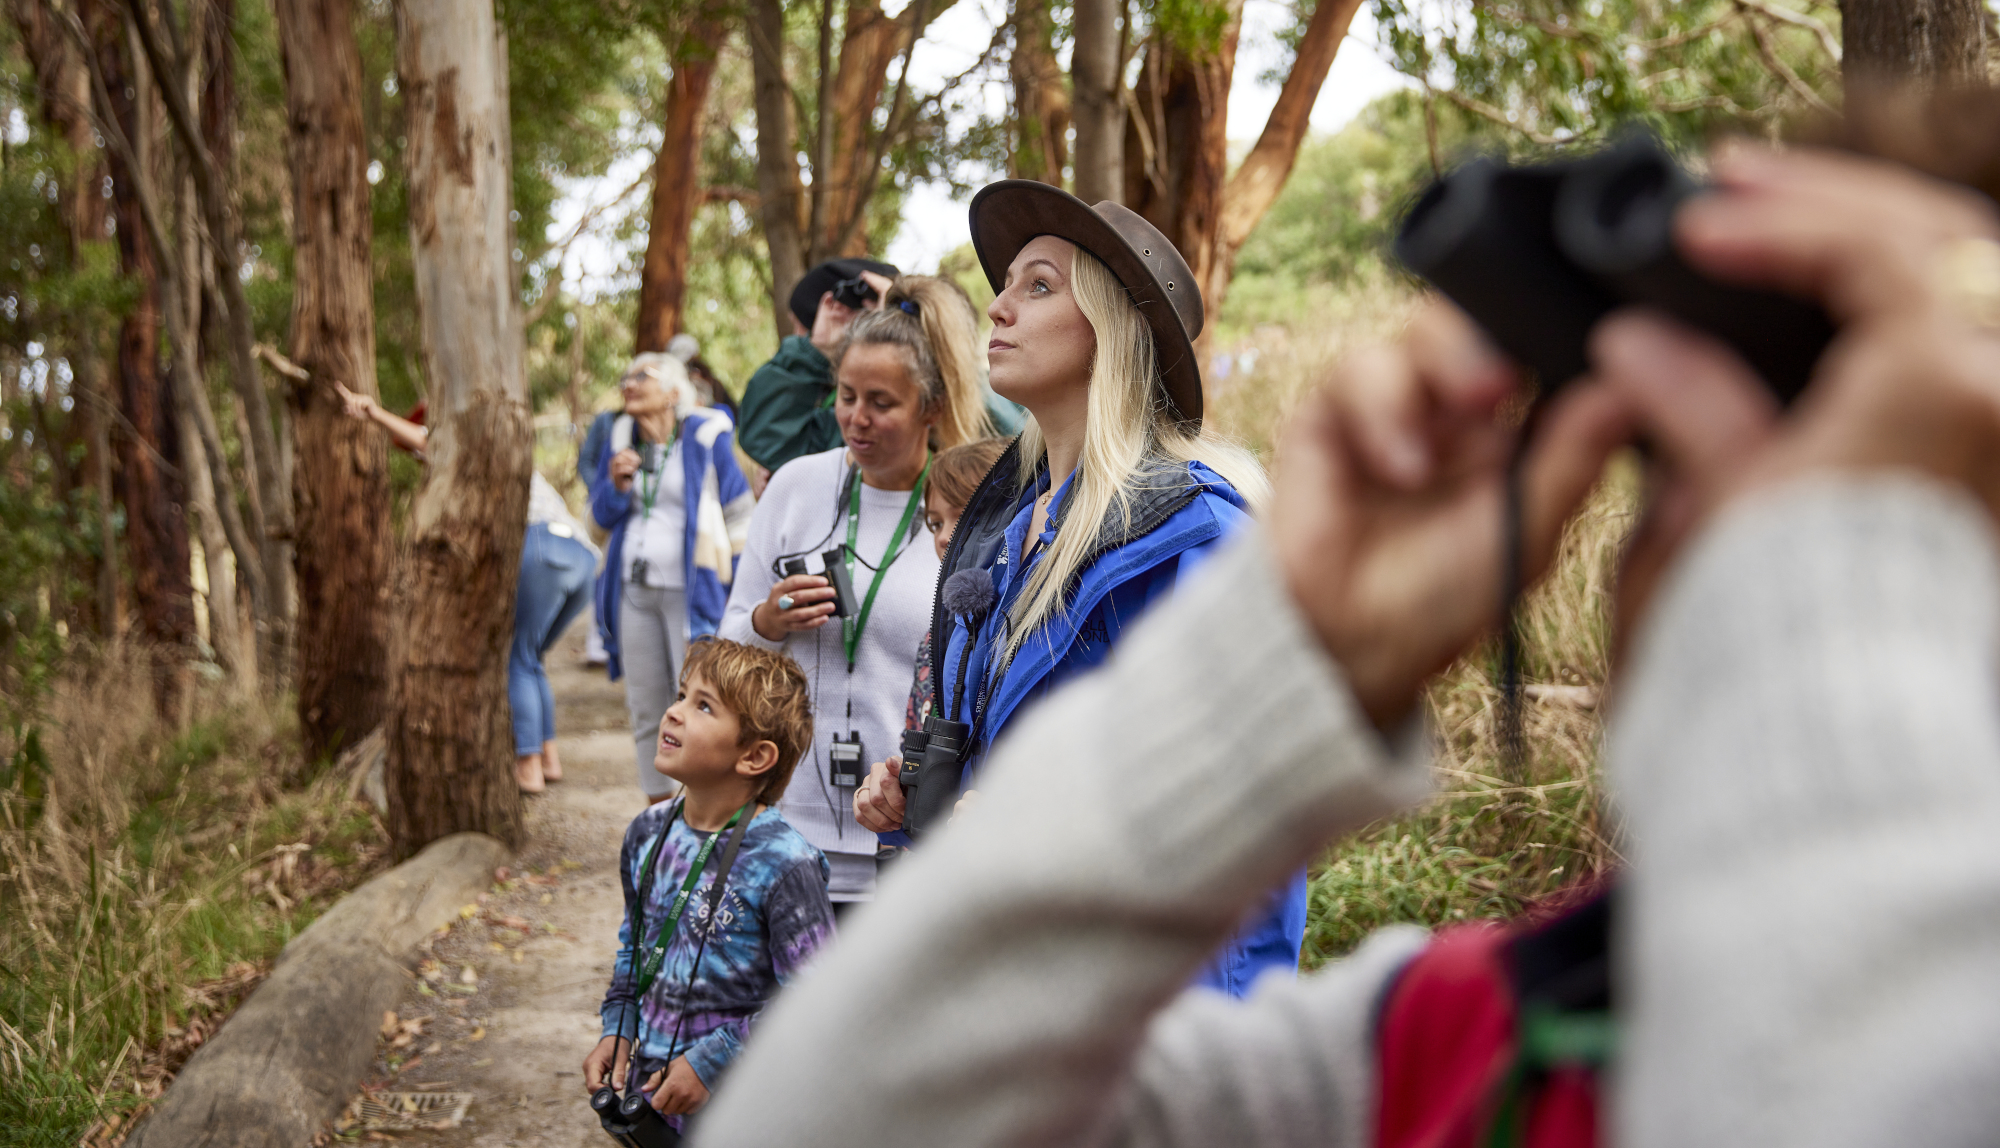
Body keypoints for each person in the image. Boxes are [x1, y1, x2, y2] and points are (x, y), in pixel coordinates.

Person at [695, 140, 2000, 1148]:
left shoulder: (1186, 520)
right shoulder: (1476, 1034)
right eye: (1671, 469)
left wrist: (1832, 569)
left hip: (1175, 983)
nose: (1727, 545)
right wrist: (1279, 665)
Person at [851, 183, 1297, 996]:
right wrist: (922, 790)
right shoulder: (1006, 524)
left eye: (1040, 286)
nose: (998, 309)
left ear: (1110, 330)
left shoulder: (1194, 531)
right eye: (1007, 284)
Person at [720, 275, 995, 911]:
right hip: (784, 829)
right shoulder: (795, 486)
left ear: (931, 407)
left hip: (901, 842)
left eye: (881, 402)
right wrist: (766, 620)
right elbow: (724, 640)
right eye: (845, 396)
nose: (856, 418)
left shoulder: (970, 510)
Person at [583, 636, 834, 1135]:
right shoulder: (647, 833)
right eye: (680, 695)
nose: (674, 713)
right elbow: (634, 948)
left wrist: (714, 1062)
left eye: (703, 706)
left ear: (755, 757)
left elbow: (818, 999)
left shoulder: (785, 863)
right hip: (651, 1097)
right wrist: (619, 1026)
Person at [333, 382, 594, 793]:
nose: (420, 454)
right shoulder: (503, 456)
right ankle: (548, 757)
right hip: (580, 556)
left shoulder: (466, 448)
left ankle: (527, 769)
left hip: (541, 548)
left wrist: (374, 414)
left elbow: (426, 438)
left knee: (514, 656)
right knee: (530, 657)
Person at [591, 353, 755, 800]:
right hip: (633, 590)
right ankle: (656, 813)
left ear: (674, 391)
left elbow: (740, 517)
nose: (629, 383)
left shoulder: (705, 437)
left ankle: (699, 811)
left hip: (692, 594)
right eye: (625, 376)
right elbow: (600, 517)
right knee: (646, 709)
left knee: (699, 707)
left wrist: (739, 591)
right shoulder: (621, 437)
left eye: (643, 376)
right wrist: (617, 484)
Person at [737, 258, 902, 476]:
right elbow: (769, 442)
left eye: (802, 327)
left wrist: (887, 342)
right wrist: (817, 350)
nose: (797, 339)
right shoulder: (833, 412)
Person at [904, 437, 1010, 731]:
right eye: (936, 523)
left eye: (963, 517)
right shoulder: (938, 629)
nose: (942, 536)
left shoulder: (1011, 624)